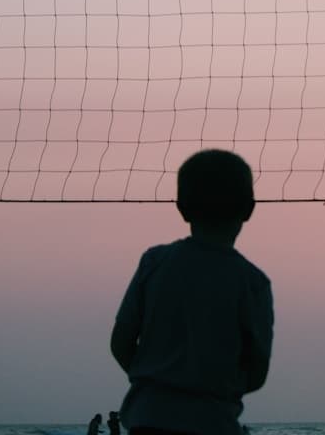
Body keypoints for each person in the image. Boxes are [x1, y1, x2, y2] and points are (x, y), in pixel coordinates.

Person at [111, 149, 274, 435]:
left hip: (147, 417)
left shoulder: (154, 262)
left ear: (181, 207)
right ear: (250, 209)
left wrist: (154, 379)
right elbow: (257, 373)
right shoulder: (253, 282)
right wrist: (214, 387)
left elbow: (121, 342)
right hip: (214, 421)